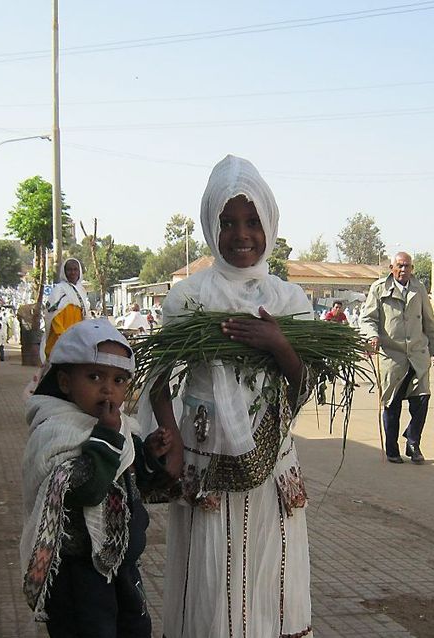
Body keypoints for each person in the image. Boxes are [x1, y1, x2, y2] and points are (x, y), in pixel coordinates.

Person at [140, 155, 313, 637]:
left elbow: (303, 387)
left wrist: (279, 345)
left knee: (269, 579)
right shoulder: (189, 298)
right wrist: (169, 432)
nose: (242, 235)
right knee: (212, 583)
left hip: (273, 469)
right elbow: (159, 377)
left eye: (253, 222)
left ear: (270, 224)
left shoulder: (288, 301)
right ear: (210, 225)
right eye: (228, 222)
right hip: (207, 464)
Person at [19, 318, 174, 637]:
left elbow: (131, 483)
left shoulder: (122, 431)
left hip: (122, 568)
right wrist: (106, 435)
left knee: (134, 629)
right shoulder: (56, 433)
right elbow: (86, 488)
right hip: (78, 574)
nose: (108, 389)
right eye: (94, 377)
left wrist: (149, 456)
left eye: (119, 380)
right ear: (64, 382)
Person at [360, 252, 434, 464]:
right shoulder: (378, 289)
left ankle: (413, 442)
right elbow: (368, 319)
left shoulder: (419, 288)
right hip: (392, 356)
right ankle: (391, 448)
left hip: (417, 354)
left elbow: (429, 320)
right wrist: (372, 336)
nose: (404, 270)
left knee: (422, 399)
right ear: (392, 268)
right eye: (400, 266)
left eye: (408, 266)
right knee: (391, 404)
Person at [41, 257, 91, 363]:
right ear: (64, 272)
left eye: (75, 269)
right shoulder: (58, 289)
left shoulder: (81, 291)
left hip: (78, 341)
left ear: (79, 271)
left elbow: (85, 316)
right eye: (69, 269)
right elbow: (53, 316)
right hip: (60, 341)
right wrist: (65, 337)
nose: (72, 272)